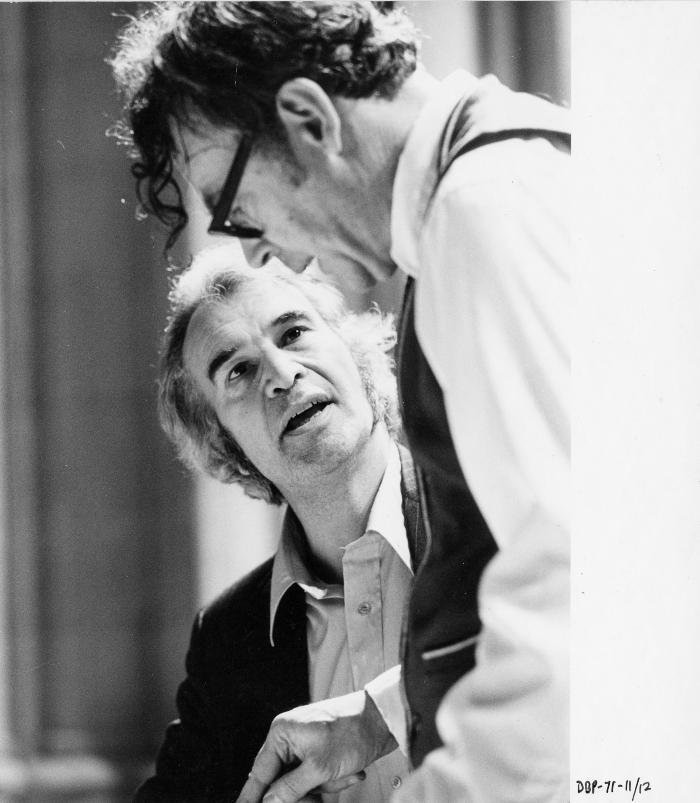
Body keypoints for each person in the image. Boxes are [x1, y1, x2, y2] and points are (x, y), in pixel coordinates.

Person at [111, 3, 570, 801]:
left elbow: (572, 602)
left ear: (308, 118)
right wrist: (382, 716)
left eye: (232, 202)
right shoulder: (492, 188)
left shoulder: (481, 213)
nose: (250, 246)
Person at [136, 245, 426, 802]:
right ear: (226, 446)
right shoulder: (227, 636)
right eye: (239, 370)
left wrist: (382, 715)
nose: (282, 373)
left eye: (293, 334)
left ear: (355, 352)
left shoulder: (487, 515)